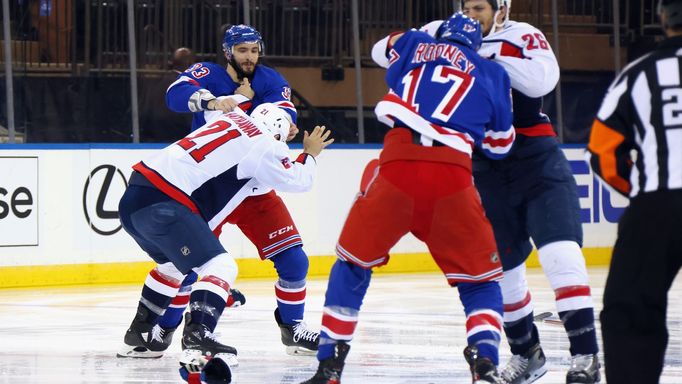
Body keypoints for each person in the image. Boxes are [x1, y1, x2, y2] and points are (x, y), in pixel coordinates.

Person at [302, 12, 515, 384]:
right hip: (453, 176)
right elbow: (501, 146)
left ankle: (329, 364)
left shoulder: (415, 42)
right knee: (480, 281)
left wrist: (425, 38)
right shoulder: (493, 72)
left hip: (397, 167)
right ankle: (485, 359)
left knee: (352, 265)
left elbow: (379, 50)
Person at [410, 2, 601, 383]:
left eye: (479, 6)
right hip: (482, 166)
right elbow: (382, 52)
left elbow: (541, 81)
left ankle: (586, 357)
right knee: (503, 271)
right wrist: (447, 43)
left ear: (501, 10)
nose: (470, 13)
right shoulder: (441, 32)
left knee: (561, 255)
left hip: (536, 159)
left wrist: (472, 52)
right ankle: (527, 354)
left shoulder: (521, 34)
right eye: (465, 7)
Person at [116, 103, 333, 367]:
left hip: (135, 195)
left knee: (172, 267)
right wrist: (309, 154)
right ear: (280, 133)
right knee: (220, 265)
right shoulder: (265, 145)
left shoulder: (232, 116)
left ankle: (140, 335)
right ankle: (198, 334)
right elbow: (299, 180)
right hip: (168, 203)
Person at [156, 24, 322, 358]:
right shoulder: (209, 73)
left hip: (255, 187)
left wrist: (280, 123)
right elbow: (175, 95)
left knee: (294, 260)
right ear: (228, 51)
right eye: (243, 50)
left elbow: (283, 117)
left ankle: (292, 328)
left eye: (254, 50)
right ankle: (164, 329)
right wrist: (219, 101)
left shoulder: (271, 79)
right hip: (211, 186)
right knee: (184, 264)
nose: (250, 57)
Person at [587, 1, 682, 382]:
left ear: (663, 20)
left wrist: (642, 193)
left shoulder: (639, 73)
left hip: (657, 206)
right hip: (657, 199)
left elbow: (602, 151)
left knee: (630, 310)